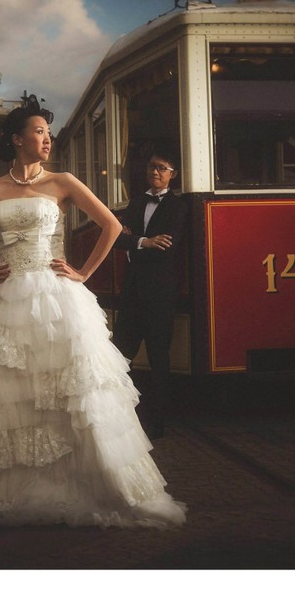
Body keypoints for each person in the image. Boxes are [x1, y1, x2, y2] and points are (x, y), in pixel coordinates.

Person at [0, 100, 186, 528]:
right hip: (7, 300)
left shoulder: (63, 181)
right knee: (10, 396)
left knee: (70, 392)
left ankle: (82, 486)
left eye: (49, 132)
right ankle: (8, 488)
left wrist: (83, 272)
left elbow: (113, 227)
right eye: (39, 131)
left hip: (58, 299)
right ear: (16, 139)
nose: (47, 138)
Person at [112, 152, 186, 439]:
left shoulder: (178, 207)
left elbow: (169, 244)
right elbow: (118, 238)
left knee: (158, 358)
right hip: (132, 293)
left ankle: (158, 424)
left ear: (172, 174)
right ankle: (118, 416)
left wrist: (134, 243)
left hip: (159, 295)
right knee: (118, 355)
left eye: (161, 168)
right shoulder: (137, 202)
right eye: (151, 166)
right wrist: (144, 242)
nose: (154, 172)